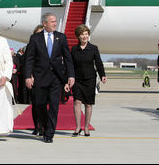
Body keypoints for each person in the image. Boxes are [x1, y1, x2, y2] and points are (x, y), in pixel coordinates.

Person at [24, 13, 75, 143]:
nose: (55, 23)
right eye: (52, 21)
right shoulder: (35, 38)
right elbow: (29, 59)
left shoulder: (61, 37)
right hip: (40, 77)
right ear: (44, 23)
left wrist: (71, 75)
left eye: (55, 21)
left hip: (56, 78)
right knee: (39, 105)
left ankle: (49, 134)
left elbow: (68, 58)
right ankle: (47, 125)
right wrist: (28, 76)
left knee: (53, 106)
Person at [65, 24, 106, 137]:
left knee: (88, 104)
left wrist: (102, 75)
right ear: (78, 36)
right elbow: (70, 65)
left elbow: (98, 63)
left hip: (89, 79)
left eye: (86, 34)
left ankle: (86, 127)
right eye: (82, 34)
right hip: (77, 79)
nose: (84, 36)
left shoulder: (93, 48)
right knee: (77, 102)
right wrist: (68, 78)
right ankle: (78, 127)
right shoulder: (74, 49)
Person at [27, 24, 44, 136]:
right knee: (36, 104)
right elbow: (28, 62)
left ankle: (42, 126)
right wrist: (30, 75)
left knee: (43, 104)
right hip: (34, 77)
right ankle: (36, 126)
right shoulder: (31, 45)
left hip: (45, 78)